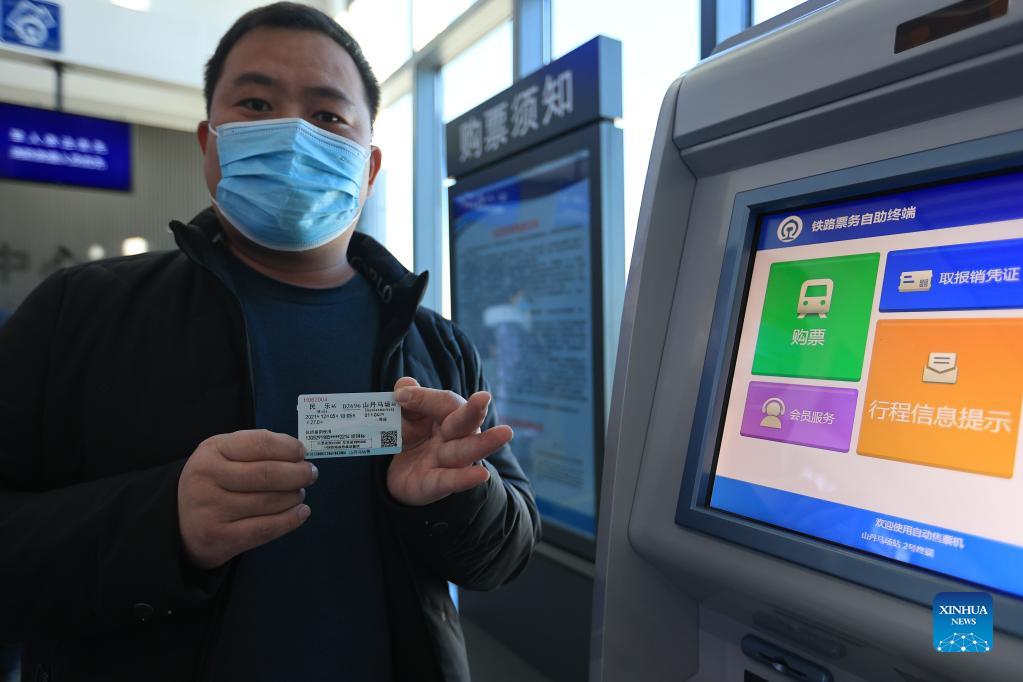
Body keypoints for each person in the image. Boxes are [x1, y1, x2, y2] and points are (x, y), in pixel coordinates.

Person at [0, 3, 540, 680]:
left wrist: (455, 496)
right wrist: (161, 525)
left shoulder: (435, 343)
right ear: (209, 143)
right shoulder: (79, 313)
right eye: (256, 103)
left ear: (369, 165)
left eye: (328, 116)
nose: (292, 133)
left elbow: (504, 554)